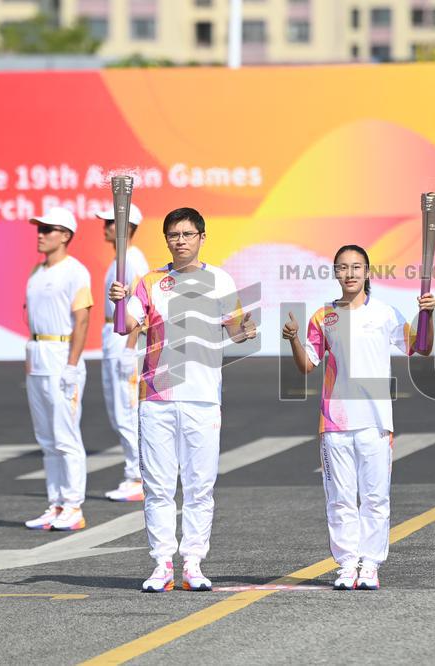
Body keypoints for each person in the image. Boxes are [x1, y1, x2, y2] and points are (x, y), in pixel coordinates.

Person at [109, 207, 256, 592]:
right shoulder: (150, 281)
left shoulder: (219, 280)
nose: (181, 241)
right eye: (174, 235)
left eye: (188, 234)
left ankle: (192, 562)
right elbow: (126, 326)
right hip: (157, 396)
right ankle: (162, 564)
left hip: (203, 397)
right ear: (167, 240)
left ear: (202, 238)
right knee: (157, 485)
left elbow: (239, 334)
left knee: (199, 485)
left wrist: (247, 328)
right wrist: (117, 301)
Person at [282, 244, 435, 590]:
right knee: (340, 498)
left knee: (375, 497)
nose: (349, 273)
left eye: (356, 267)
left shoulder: (385, 313)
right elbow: (307, 365)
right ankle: (348, 563)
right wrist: (293, 340)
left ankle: (370, 565)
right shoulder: (324, 317)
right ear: (335, 273)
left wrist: (427, 315)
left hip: (376, 421)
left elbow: (420, 347)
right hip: (335, 422)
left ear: (367, 273)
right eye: (342, 267)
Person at [23, 207, 93, 531]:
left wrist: (72, 364)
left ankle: (74, 505)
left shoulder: (75, 271)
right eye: (39, 228)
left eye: (48, 229)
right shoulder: (37, 273)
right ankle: (55, 503)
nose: (41, 234)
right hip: (37, 355)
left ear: (65, 235)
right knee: (47, 439)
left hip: (62, 354)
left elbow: (82, 320)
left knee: (66, 436)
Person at [96, 204, 149, 502]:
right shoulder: (119, 259)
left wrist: (131, 349)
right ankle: (133, 472)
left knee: (127, 410)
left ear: (126, 227)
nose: (104, 227)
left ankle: (137, 476)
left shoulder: (133, 260)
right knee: (118, 410)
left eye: (109, 222)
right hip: (112, 335)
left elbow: (140, 305)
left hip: (125, 339)